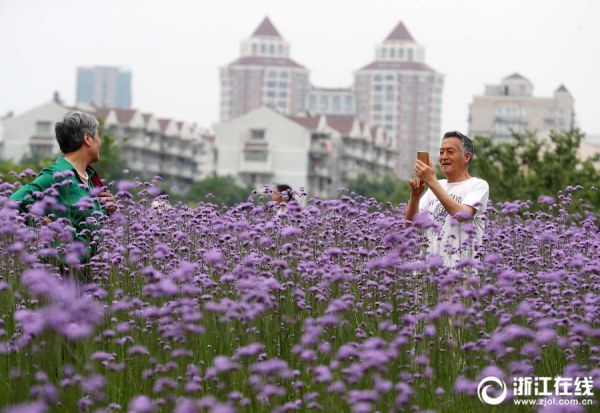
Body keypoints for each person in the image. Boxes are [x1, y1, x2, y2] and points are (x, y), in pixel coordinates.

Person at [10, 111, 116, 258]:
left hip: (89, 272)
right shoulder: (56, 174)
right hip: (62, 271)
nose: (100, 142)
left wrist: (107, 212)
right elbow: (13, 203)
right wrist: (43, 225)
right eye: (98, 136)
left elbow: (84, 224)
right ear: (88, 138)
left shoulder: (90, 178)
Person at [405, 131, 489, 267]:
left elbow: (461, 214)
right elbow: (410, 226)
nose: (444, 157)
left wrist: (431, 181)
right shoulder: (437, 186)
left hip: (459, 273)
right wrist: (414, 197)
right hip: (427, 275)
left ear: (466, 157)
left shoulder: (478, 185)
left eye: (450, 152)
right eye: (441, 152)